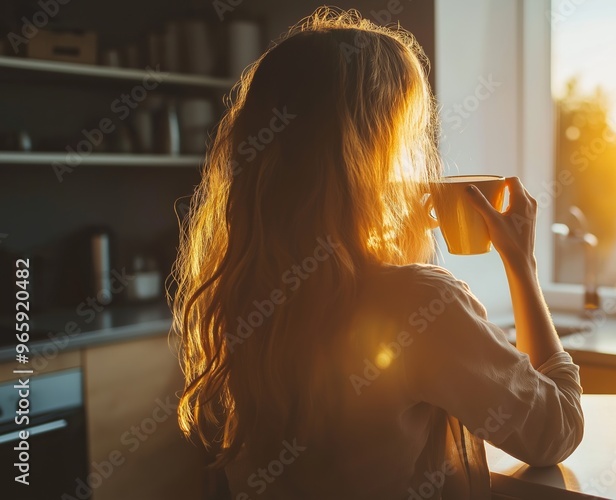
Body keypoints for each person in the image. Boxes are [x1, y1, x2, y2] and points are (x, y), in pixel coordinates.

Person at [170, 8, 584, 499]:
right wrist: (522, 268)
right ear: (367, 155)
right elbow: (555, 430)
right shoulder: (421, 303)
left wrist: (396, 238)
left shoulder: (249, 293)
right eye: (402, 138)